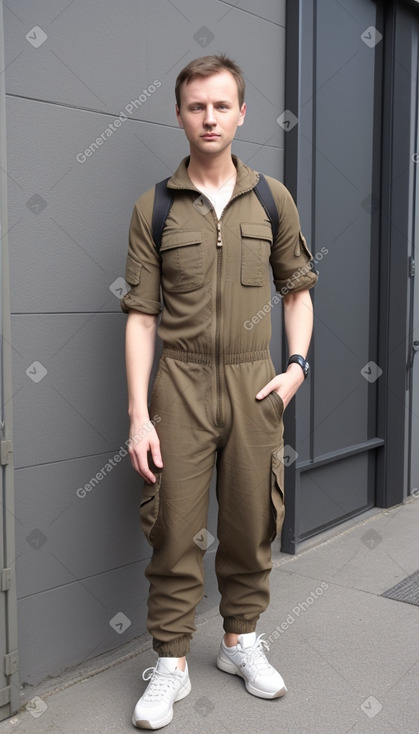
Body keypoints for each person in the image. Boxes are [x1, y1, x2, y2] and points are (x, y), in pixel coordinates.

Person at [121, 54, 317, 730]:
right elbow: (140, 317)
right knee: (172, 526)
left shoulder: (271, 198)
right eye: (196, 105)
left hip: (252, 382)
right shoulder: (154, 207)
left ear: (241, 113)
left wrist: (294, 367)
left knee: (249, 520)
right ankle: (170, 664)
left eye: (220, 105)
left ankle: (239, 643)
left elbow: (297, 291)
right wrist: (138, 415)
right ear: (179, 114)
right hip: (177, 383)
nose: (209, 117)